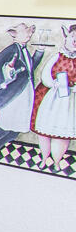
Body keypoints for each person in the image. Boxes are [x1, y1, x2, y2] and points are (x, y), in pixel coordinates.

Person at [0, 22, 38, 152]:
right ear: (15, 34)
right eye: (25, 31)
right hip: (12, 93)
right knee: (3, 123)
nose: (29, 33)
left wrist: (40, 52)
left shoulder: (24, 50)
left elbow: (29, 68)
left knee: (18, 127)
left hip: (24, 93)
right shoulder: (13, 49)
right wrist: (2, 81)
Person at [33, 22, 76, 170]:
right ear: (67, 37)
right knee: (44, 131)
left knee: (62, 134)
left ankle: (57, 161)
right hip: (51, 99)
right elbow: (45, 75)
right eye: (73, 37)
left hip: (69, 102)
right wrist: (53, 83)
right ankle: (44, 158)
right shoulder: (57, 56)